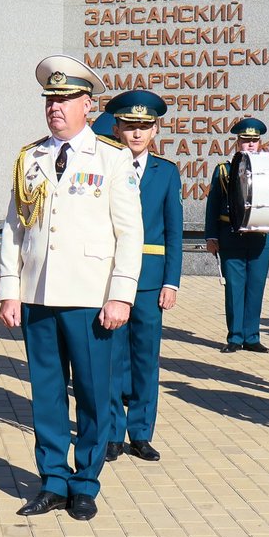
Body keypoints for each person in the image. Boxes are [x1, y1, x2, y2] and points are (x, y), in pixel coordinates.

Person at [0, 55, 143, 521]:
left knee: (92, 392)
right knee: (45, 392)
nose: (55, 107)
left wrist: (120, 294)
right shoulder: (31, 157)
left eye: (64, 99)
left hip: (90, 297)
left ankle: (85, 483)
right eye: (50, 99)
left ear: (87, 103)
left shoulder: (112, 157)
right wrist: (9, 289)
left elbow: (130, 233)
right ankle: (53, 480)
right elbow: (14, 229)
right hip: (39, 294)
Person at [103, 90, 181, 463]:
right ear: (117, 128)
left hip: (150, 280)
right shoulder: (104, 165)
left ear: (155, 130)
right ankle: (112, 432)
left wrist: (172, 281)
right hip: (111, 276)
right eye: (130, 126)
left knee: (146, 358)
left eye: (144, 127)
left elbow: (174, 230)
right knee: (112, 357)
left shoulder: (165, 172)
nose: (136, 134)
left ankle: (141, 432)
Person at [205, 117, 269, 352]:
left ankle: (252, 336)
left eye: (254, 141)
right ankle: (235, 336)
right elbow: (213, 204)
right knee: (234, 287)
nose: (250, 145)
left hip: (260, 235)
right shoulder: (224, 169)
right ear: (237, 142)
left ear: (260, 142)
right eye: (245, 140)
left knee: (256, 286)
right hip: (231, 234)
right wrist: (211, 236)